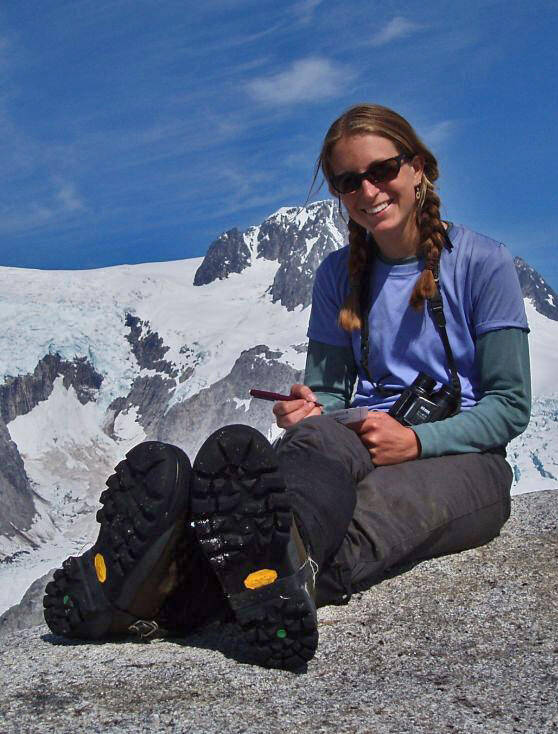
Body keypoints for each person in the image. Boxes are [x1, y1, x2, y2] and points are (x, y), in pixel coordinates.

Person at [43, 103, 531, 671]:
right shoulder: (336, 275)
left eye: (383, 171)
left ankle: (167, 583)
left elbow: (510, 405)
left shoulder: (481, 263)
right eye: (349, 182)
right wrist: (311, 410)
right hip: (358, 437)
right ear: (339, 193)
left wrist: (417, 443)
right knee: (314, 450)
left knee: (372, 518)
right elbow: (329, 393)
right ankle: (267, 568)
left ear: (419, 167)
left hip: (463, 456)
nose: (368, 190)